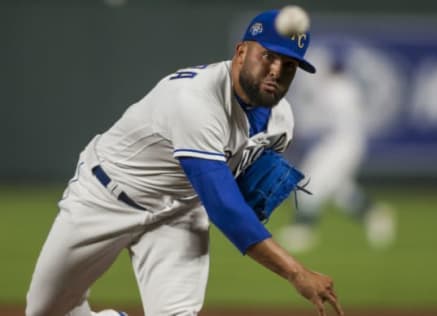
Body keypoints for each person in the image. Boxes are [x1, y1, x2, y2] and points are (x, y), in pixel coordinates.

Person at [26, 8, 344, 316]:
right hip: (106, 197)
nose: (276, 70)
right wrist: (295, 272)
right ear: (242, 51)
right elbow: (224, 206)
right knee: (46, 312)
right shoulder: (195, 99)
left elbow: (234, 189)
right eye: (269, 57)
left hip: (179, 213)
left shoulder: (281, 121)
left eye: (289, 65)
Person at [278, 49, 397, 253]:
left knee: (308, 181)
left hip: (341, 144)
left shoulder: (336, 89)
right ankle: (374, 215)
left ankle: (303, 230)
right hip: (344, 143)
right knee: (338, 189)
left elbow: (314, 120)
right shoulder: (347, 87)